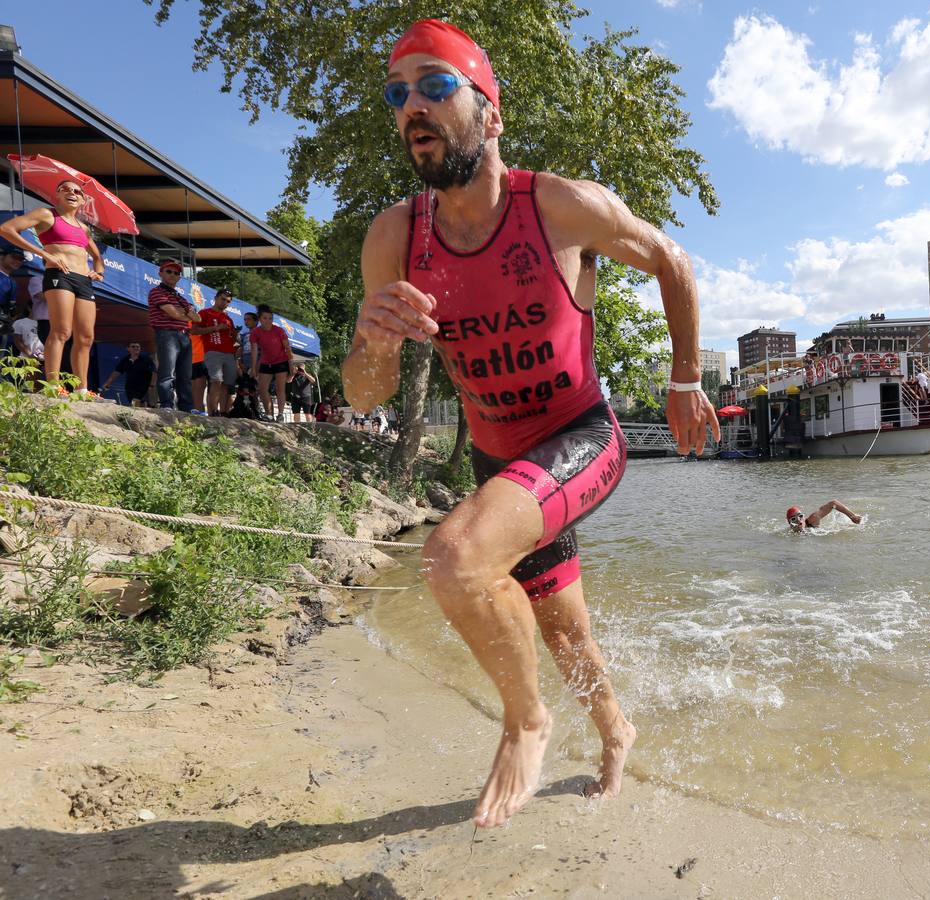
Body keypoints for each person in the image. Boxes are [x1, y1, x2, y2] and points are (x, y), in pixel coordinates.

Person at [341, 19, 718, 829]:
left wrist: (685, 379)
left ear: (491, 112)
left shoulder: (557, 205)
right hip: (498, 459)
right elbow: (365, 395)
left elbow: (673, 262)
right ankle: (617, 733)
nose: (413, 105)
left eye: (436, 86)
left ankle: (527, 721)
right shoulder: (395, 238)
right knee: (564, 635)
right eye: (397, 92)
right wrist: (371, 337)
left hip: (582, 436)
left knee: (453, 559)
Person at [0, 181, 105, 393]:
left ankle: (82, 390)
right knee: (62, 331)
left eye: (77, 191)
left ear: (83, 200)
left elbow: (97, 257)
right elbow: (6, 229)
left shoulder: (83, 228)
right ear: (56, 194)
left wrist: (99, 271)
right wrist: (45, 254)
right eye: (65, 188)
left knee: (86, 336)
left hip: (84, 280)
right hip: (59, 275)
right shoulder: (46, 214)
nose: (72, 193)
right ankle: (53, 386)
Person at [147, 260, 200, 411]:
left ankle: (187, 407)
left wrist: (182, 313)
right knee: (167, 372)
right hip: (167, 333)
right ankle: (166, 404)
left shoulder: (180, 297)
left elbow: (198, 318)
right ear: (161, 273)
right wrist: (185, 313)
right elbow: (175, 314)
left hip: (184, 336)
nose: (173, 275)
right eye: (169, 271)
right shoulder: (156, 292)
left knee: (185, 375)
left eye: (176, 273)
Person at [198, 289, 239, 416]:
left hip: (229, 353)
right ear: (215, 298)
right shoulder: (205, 313)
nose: (225, 303)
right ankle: (214, 411)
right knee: (216, 381)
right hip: (213, 351)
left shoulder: (228, 319)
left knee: (227, 383)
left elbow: (232, 340)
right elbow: (194, 330)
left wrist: (235, 334)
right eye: (222, 299)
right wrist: (216, 328)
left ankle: (223, 411)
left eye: (228, 301)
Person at [249, 305, 292, 422]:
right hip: (265, 362)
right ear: (259, 319)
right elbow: (254, 350)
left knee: (280, 389)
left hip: (281, 361)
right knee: (262, 389)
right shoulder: (255, 332)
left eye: (270, 318)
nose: (268, 321)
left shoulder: (279, 330)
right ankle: (269, 414)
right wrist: (253, 368)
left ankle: (281, 414)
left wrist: (291, 366)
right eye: (265, 318)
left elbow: (287, 348)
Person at [101, 341, 156, 407]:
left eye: (138, 347)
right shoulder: (125, 360)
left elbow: (154, 373)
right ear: (128, 349)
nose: (136, 348)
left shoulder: (146, 359)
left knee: (139, 403)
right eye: (133, 346)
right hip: (130, 387)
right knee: (135, 405)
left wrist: (152, 385)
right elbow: (117, 372)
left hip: (144, 387)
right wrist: (107, 383)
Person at [786, 500, 864, 533]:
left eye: (800, 516)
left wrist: (852, 516)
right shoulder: (789, 534)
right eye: (793, 519)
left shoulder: (813, 519)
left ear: (804, 516)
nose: (798, 520)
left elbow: (833, 503)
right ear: (789, 523)